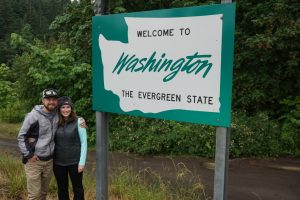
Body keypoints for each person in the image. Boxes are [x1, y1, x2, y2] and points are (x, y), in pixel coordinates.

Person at [18, 88, 59, 200]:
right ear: (42, 100)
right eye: (48, 99)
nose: (51, 102)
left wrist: (80, 120)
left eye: (54, 99)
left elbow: (69, 112)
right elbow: (21, 137)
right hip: (34, 161)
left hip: (49, 161)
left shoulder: (57, 114)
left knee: (43, 193)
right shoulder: (33, 116)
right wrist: (29, 155)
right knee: (35, 195)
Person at [53, 96, 87, 200]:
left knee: (78, 188)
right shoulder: (54, 121)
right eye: (63, 107)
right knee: (62, 189)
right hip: (58, 162)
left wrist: (82, 162)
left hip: (75, 162)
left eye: (68, 107)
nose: (66, 110)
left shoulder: (79, 121)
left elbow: (84, 142)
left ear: (71, 108)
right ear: (59, 109)